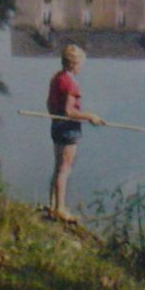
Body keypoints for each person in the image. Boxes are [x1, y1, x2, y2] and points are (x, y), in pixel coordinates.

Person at [46, 43, 104, 222]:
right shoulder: (72, 84)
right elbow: (70, 112)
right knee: (65, 169)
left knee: (58, 167)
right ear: (74, 64)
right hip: (68, 129)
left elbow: (50, 105)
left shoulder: (57, 78)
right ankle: (60, 209)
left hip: (56, 126)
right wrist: (90, 117)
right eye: (81, 64)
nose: (82, 68)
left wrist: (56, 117)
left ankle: (53, 204)